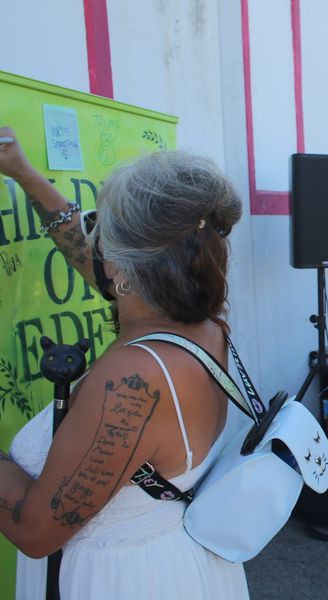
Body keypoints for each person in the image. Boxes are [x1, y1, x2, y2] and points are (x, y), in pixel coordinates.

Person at [0, 128, 249, 599]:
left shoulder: (135, 377)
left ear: (123, 266)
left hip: (117, 582)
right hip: (173, 566)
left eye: (99, 225)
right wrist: (24, 173)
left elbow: (34, 530)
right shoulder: (204, 325)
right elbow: (86, 254)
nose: (89, 235)